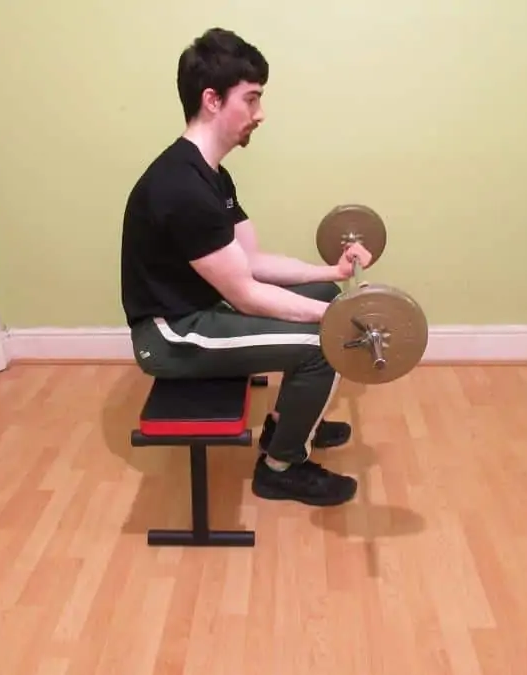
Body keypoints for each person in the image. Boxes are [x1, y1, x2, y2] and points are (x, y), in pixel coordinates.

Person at [119, 28, 373, 507]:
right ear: (212, 100)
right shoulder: (181, 186)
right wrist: (334, 323)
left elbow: (250, 262)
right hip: (171, 334)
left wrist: (332, 274)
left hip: (203, 306)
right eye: (251, 100)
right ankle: (281, 467)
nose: (259, 114)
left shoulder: (210, 172)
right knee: (324, 344)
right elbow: (246, 294)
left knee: (326, 302)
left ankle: (290, 422)